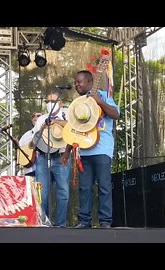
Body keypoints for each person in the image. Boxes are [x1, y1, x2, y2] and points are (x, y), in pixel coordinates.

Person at [62, 70, 120, 229]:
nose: (76, 84)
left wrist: (100, 102)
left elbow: (115, 114)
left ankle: (105, 221)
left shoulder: (104, 96)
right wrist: (67, 151)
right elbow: (74, 127)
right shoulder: (78, 102)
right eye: (75, 82)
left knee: (104, 185)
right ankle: (84, 220)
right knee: (85, 187)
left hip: (102, 150)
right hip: (83, 149)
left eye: (79, 81)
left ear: (89, 81)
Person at [33, 92, 72, 228]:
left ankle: (60, 224)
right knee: (41, 192)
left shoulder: (66, 113)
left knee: (63, 191)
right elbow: (35, 140)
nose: (49, 103)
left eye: (53, 101)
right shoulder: (41, 119)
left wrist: (55, 121)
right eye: (47, 101)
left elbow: (72, 126)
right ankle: (45, 222)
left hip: (62, 156)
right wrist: (43, 128)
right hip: (43, 157)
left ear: (60, 103)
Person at [18, 112, 42, 177]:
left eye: (38, 116)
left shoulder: (48, 132)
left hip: (45, 170)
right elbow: (20, 152)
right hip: (30, 170)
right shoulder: (25, 135)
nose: (35, 117)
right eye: (33, 116)